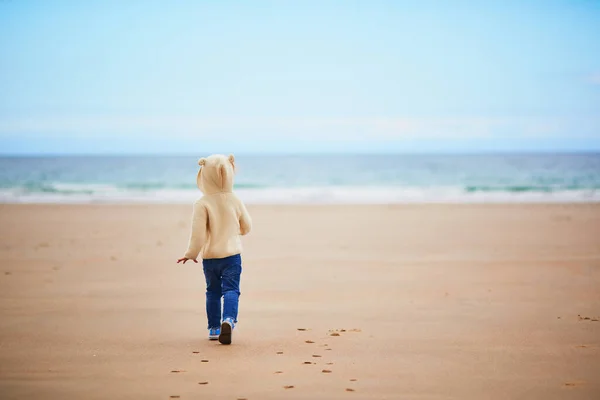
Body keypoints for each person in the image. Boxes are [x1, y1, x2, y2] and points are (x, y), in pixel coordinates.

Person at [177, 154, 252, 345]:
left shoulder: (202, 203)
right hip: (232, 255)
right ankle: (228, 320)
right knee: (231, 290)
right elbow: (247, 226)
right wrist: (238, 231)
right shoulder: (235, 199)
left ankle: (213, 328)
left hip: (210, 258)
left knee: (212, 292)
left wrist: (191, 254)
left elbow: (198, 234)